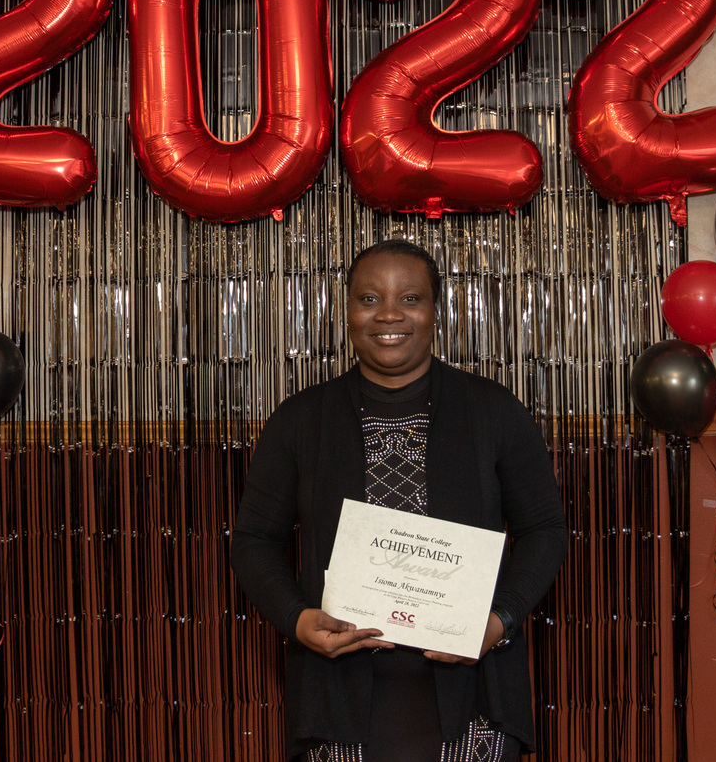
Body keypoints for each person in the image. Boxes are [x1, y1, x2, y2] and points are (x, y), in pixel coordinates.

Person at [230, 239, 568, 762]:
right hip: (337, 692)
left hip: (472, 692)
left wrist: (498, 620)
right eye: (369, 299)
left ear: (437, 311)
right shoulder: (301, 419)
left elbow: (544, 528)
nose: (389, 314)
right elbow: (254, 540)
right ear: (347, 311)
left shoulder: (493, 411)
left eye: (410, 299)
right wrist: (297, 619)